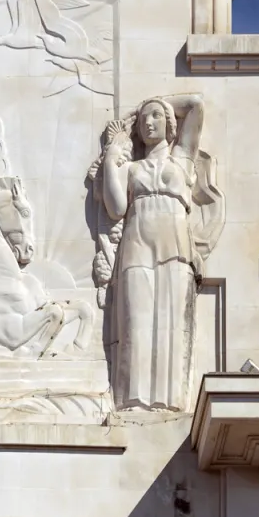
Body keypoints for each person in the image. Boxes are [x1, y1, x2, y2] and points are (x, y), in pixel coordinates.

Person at [100, 95, 204, 411]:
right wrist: (110, 160)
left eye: (156, 116)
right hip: (137, 238)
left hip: (173, 240)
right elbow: (116, 207)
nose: (149, 123)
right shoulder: (131, 168)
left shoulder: (182, 159)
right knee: (136, 319)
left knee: (172, 321)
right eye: (145, 119)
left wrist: (139, 109)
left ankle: (169, 401)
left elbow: (196, 106)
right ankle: (133, 399)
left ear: (170, 123)